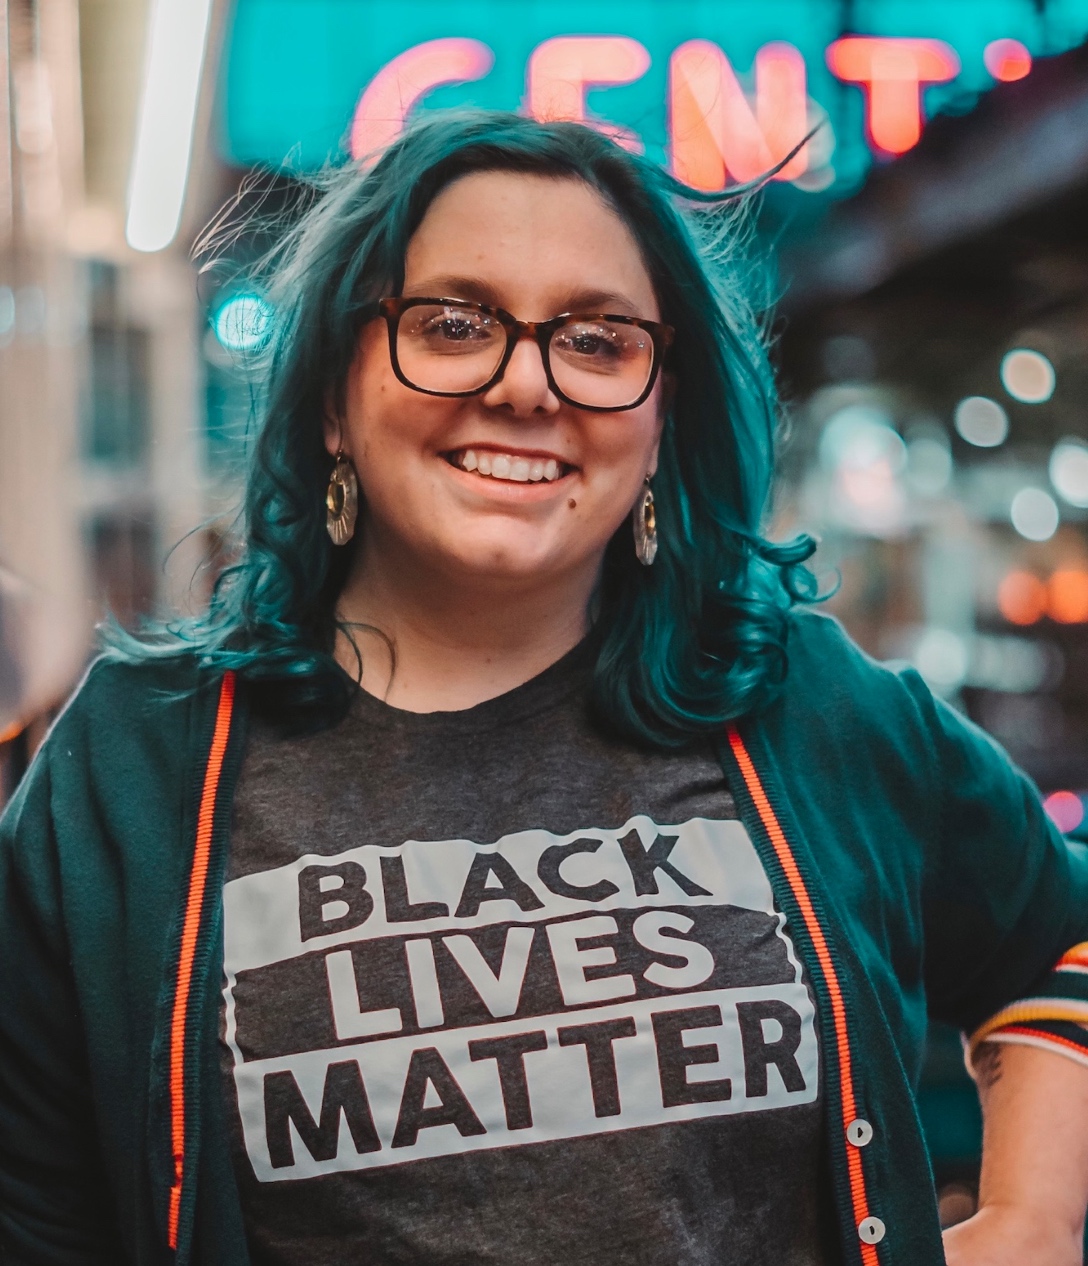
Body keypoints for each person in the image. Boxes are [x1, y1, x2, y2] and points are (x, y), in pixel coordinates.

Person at [2, 110, 1088, 1266]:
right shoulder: (136, 762)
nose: (527, 385)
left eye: (598, 339)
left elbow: (1053, 936)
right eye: (454, 322)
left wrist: (1029, 1218)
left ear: (662, 414)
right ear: (331, 392)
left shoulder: (796, 700)